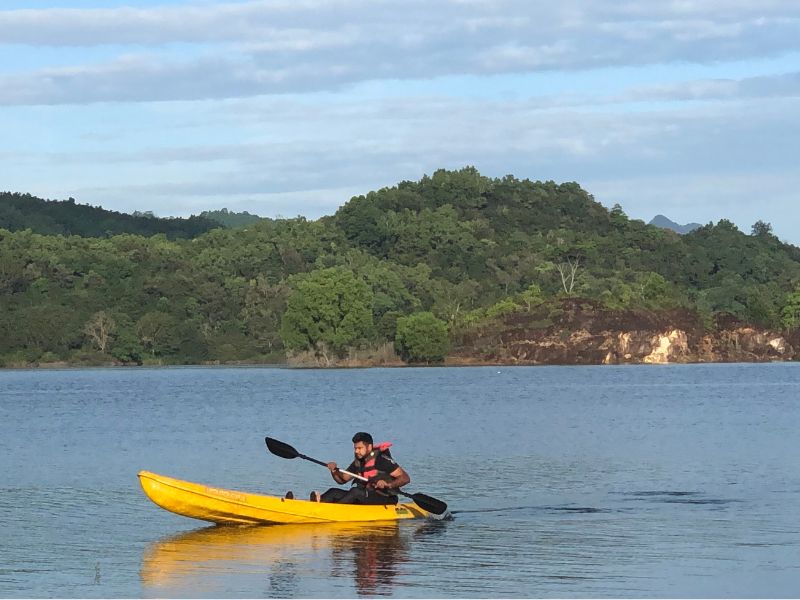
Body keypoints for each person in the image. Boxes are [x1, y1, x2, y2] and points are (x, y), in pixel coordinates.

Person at [311, 432, 410, 505]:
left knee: (355, 492)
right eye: (355, 448)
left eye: (359, 448)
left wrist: (388, 484)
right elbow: (342, 480)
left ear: (369, 447)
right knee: (334, 492)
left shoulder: (382, 460)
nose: (357, 451)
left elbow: (405, 478)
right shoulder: (358, 462)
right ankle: (316, 506)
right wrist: (333, 471)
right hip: (365, 496)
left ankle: (334, 510)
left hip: (385, 498)